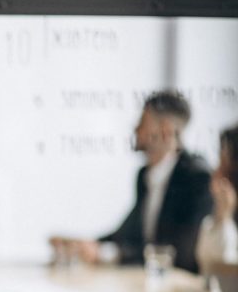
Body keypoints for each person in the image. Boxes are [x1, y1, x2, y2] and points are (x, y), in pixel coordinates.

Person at [52, 90, 213, 274]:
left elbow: (175, 253)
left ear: (165, 131)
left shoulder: (197, 180)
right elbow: (128, 233)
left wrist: (107, 253)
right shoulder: (144, 176)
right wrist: (88, 245)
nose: (135, 130)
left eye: (142, 123)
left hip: (182, 291)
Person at [196, 125, 238, 274]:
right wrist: (222, 217)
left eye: (224, 163)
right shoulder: (218, 214)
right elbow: (209, 272)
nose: (216, 171)